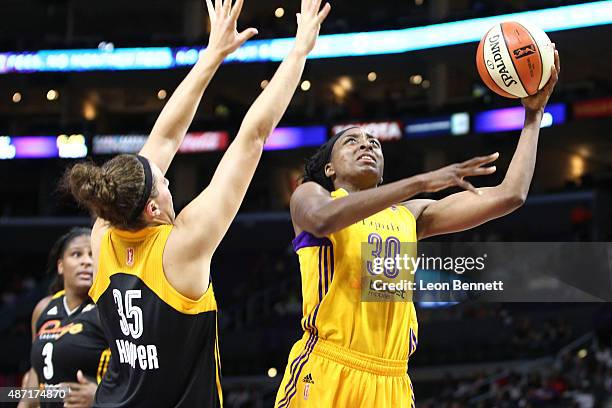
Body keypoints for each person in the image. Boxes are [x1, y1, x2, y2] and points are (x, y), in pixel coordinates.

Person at [64, 0, 330, 406]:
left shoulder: (103, 233)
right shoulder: (181, 247)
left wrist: (213, 55)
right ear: (153, 209)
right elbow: (253, 136)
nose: (168, 179)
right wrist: (300, 50)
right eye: (164, 183)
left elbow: (167, 138)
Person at [275, 48, 560, 407]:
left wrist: (533, 116)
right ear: (329, 169)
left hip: (392, 381)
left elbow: (510, 195)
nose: (366, 144)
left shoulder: (408, 216)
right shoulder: (311, 195)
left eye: (374, 143)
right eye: (352, 141)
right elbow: (322, 220)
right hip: (328, 369)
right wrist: (423, 181)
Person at [18, 228, 109, 408]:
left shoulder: (108, 310)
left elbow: (135, 373)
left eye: (93, 255)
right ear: (61, 265)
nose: (87, 261)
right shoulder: (43, 309)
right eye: (77, 254)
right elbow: (36, 375)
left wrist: (101, 396)